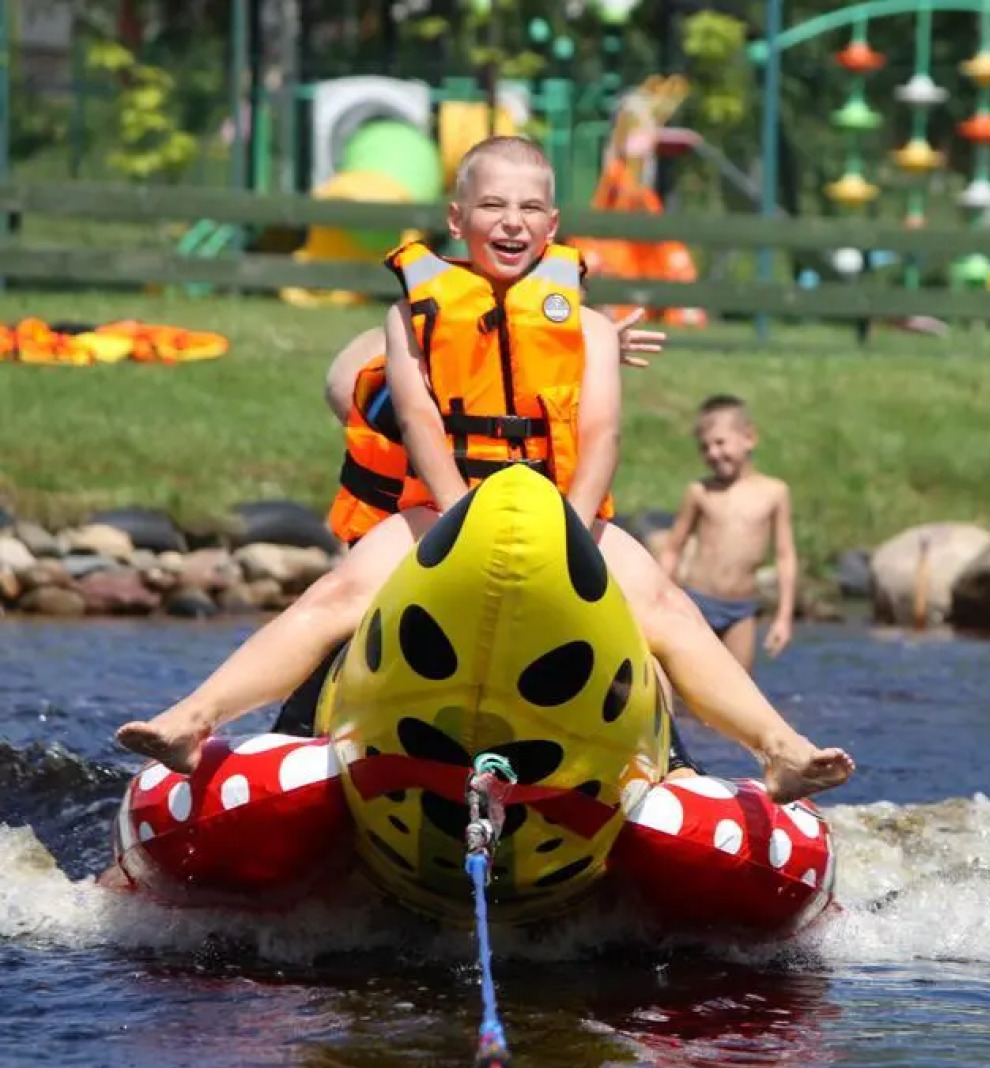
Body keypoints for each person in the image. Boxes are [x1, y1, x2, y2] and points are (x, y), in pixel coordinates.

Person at [115, 136, 852, 805]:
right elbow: (422, 421)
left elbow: (601, 436)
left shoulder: (589, 328)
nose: (511, 221)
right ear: (458, 217)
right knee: (336, 595)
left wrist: (570, 530)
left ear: (554, 225)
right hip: (445, 509)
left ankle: (780, 751)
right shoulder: (410, 318)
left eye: (530, 207)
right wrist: (459, 516)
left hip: (563, 514)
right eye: (493, 204)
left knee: (665, 609)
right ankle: (193, 720)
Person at [658, 394, 797, 672]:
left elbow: (785, 556)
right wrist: (662, 596)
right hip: (697, 603)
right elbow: (674, 547)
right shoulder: (700, 492)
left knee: (736, 689)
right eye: (704, 447)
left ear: (749, 438)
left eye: (720, 443)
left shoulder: (774, 492)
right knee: (688, 684)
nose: (713, 453)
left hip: (741, 610)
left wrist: (783, 617)